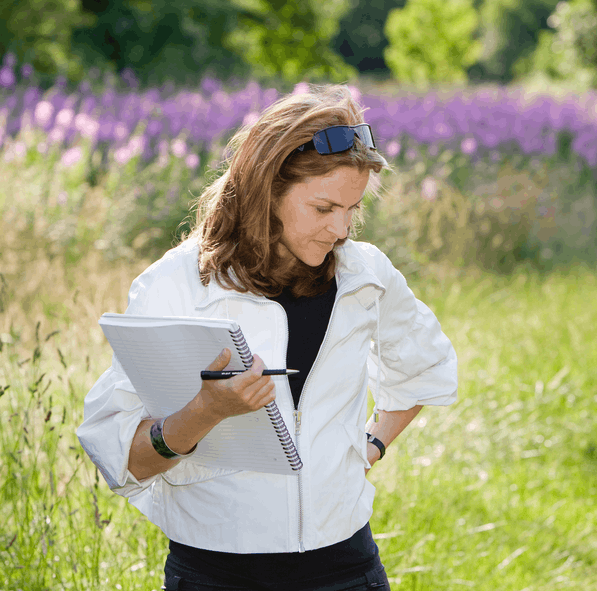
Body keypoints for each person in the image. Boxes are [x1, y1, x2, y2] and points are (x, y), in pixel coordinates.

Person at [77, 84, 458, 591]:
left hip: (345, 567)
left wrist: (367, 448)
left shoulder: (366, 275)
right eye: (324, 209)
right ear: (266, 190)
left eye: (352, 209)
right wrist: (205, 411)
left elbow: (422, 371)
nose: (341, 230)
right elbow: (122, 459)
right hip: (215, 573)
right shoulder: (175, 285)